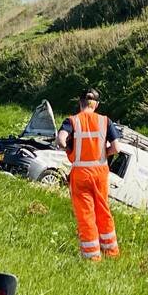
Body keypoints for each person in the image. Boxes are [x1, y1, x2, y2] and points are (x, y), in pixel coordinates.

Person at [56, 88, 122, 261]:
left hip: (80, 173)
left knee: (86, 214)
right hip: (100, 172)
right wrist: (102, 154)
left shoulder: (72, 121)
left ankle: (92, 257)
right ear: (96, 105)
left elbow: (60, 139)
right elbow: (116, 148)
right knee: (103, 211)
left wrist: (68, 148)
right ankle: (111, 252)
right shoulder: (105, 121)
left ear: (80, 103)